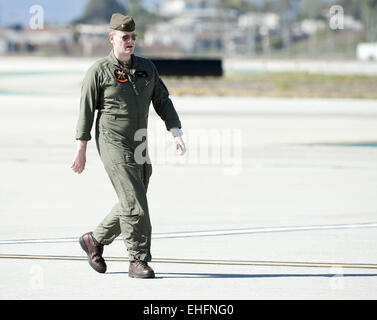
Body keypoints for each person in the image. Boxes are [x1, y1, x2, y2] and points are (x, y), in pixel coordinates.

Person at [71, 13, 186, 279]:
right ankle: (138, 259)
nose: (130, 41)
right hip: (112, 140)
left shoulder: (147, 67)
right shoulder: (99, 71)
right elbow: (85, 112)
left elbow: (162, 100)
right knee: (135, 202)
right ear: (112, 38)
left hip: (139, 140)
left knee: (134, 198)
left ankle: (95, 240)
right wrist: (81, 150)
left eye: (133, 37)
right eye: (125, 37)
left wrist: (175, 130)